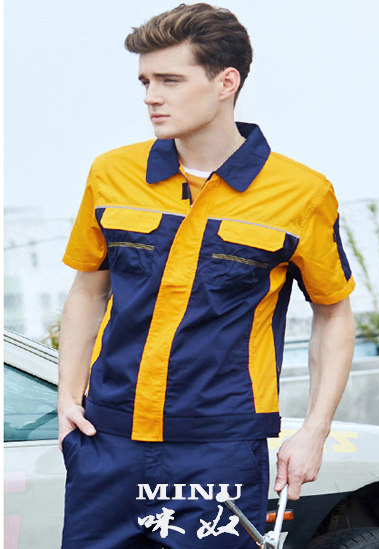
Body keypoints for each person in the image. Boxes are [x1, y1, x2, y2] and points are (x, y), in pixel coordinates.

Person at [57, 3, 356, 548]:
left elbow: (333, 313)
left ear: (226, 82)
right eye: (145, 81)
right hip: (106, 442)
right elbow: (88, 289)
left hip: (219, 451)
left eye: (169, 80)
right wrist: (66, 403)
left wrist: (314, 431)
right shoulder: (112, 173)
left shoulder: (302, 194)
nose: (151, 96)